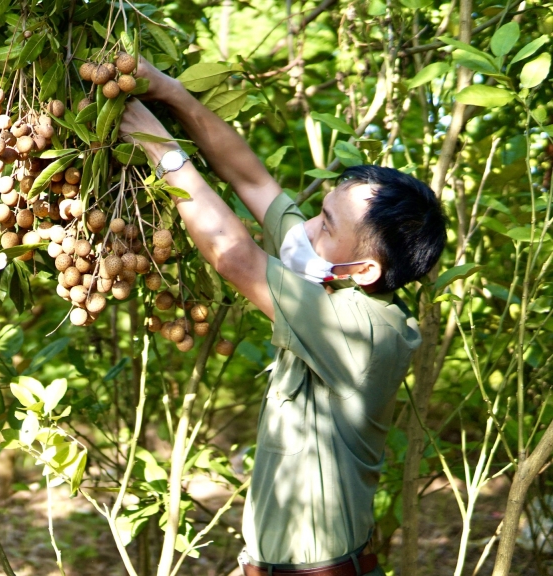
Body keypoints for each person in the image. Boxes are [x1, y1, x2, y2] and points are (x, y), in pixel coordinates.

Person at [120, 59, 446, 575]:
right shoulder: (330, 274)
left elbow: (232, 253)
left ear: (363, 269)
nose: (307, 223)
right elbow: (253, 181)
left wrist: (160, 148)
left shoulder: (365, 331)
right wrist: (173, 93)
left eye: (326, 223)